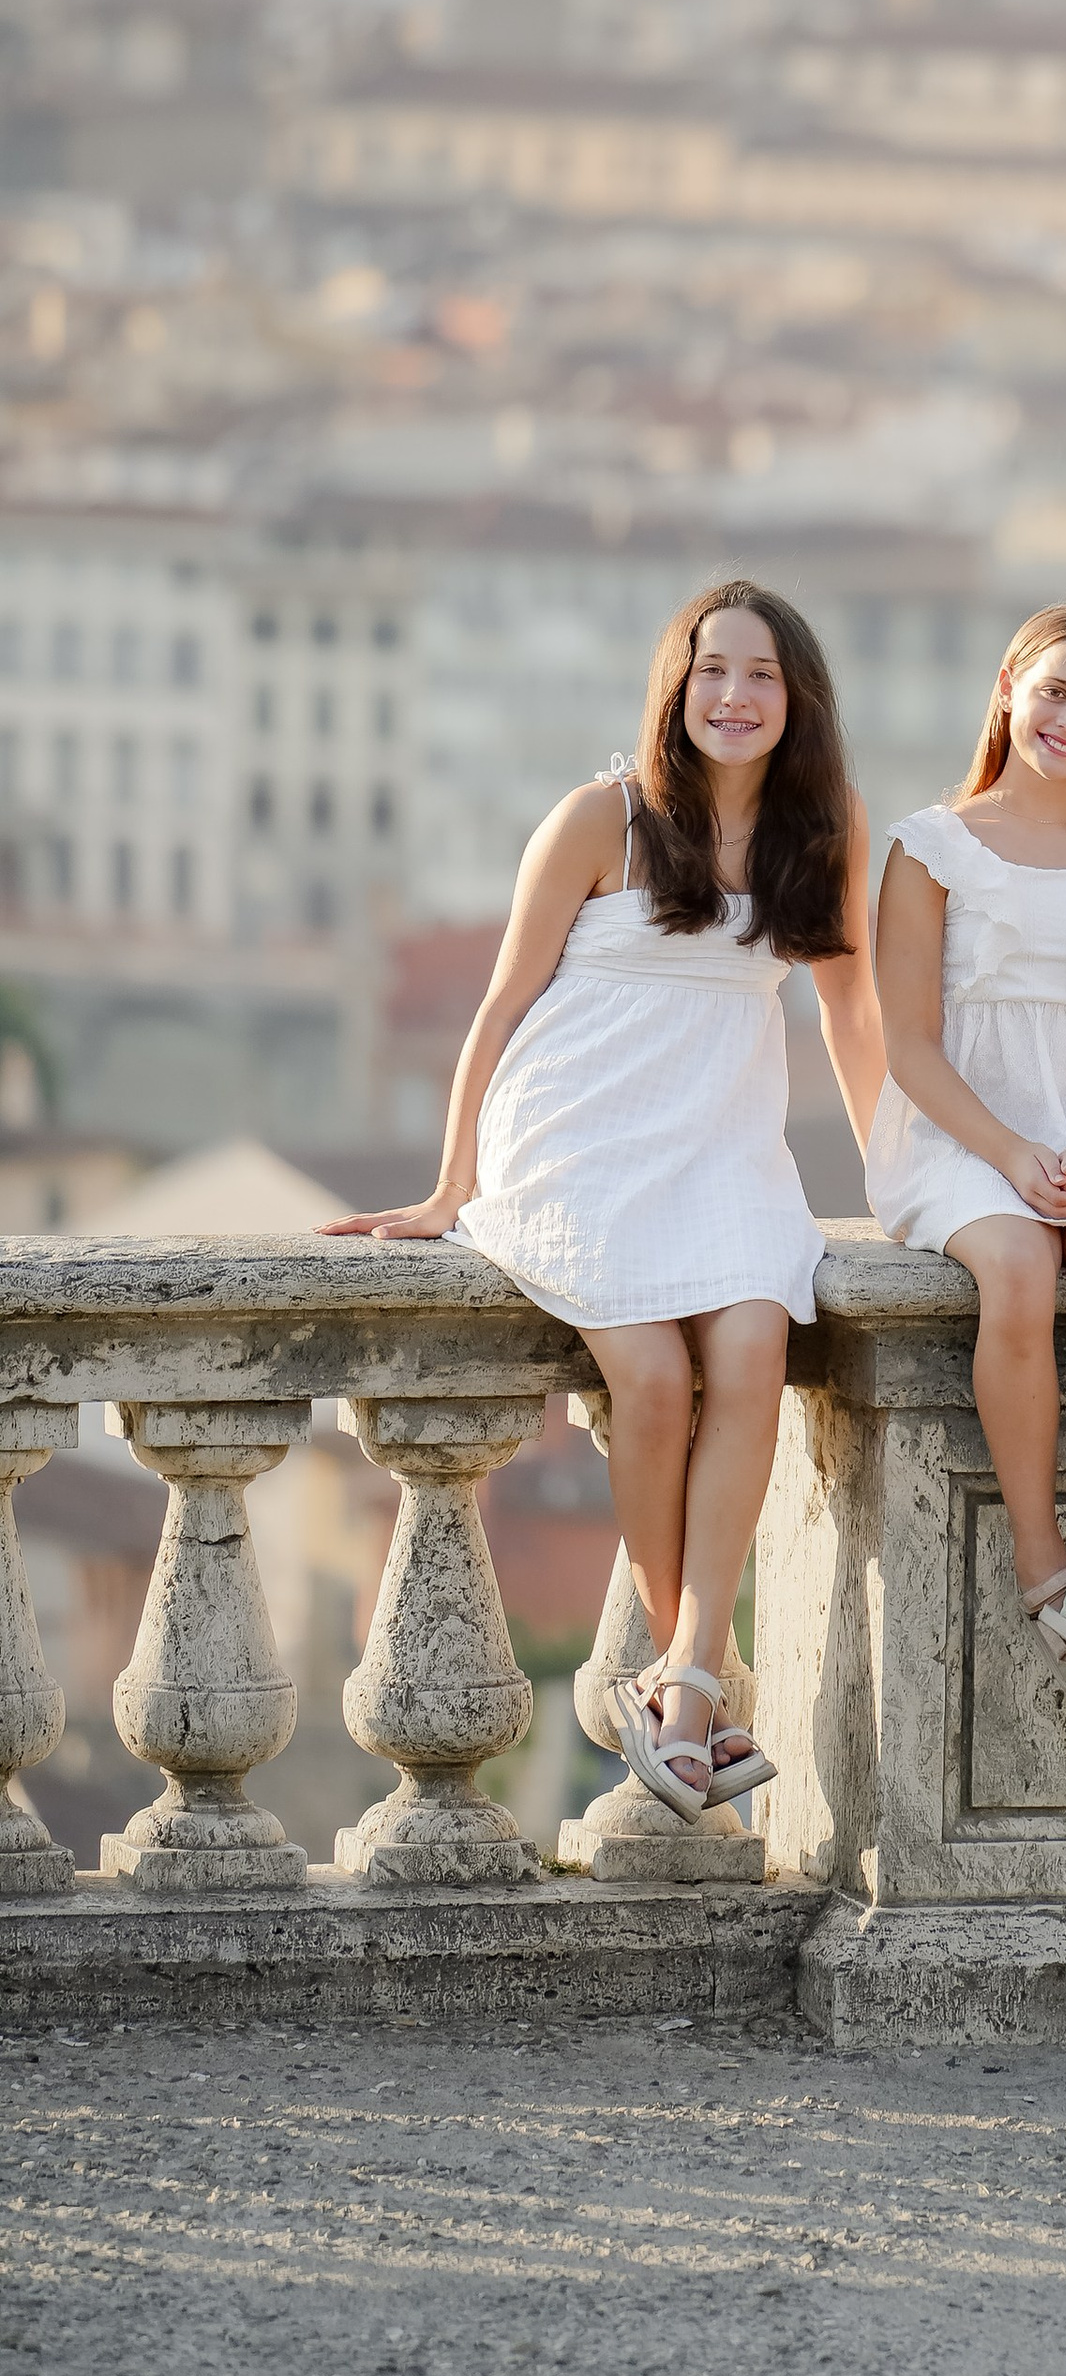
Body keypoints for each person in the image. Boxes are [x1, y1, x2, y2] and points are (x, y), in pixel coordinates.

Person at [324, 578, 884, 1821]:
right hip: (576, 1137)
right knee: (652, 1375)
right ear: (675, 688)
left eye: (761, 675)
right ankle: (691, 1678)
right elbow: (503, 1003)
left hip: (720, 1145)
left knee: (753, 1345)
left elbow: (851, 1013)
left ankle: (682, 1678)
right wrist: (452, 1184)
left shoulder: (826, 827)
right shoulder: (602, 817)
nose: (733, 696)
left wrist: (895, 1173)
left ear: (798, 699)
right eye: (711, 670)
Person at [867, 604, 1066, 1699]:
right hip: (960, 1134)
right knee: (1016, 1265)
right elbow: (908, 1045)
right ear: (1008, 688)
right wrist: (1009, 1153)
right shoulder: (931, 847)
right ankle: (1040, 1553)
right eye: (1054, 691)